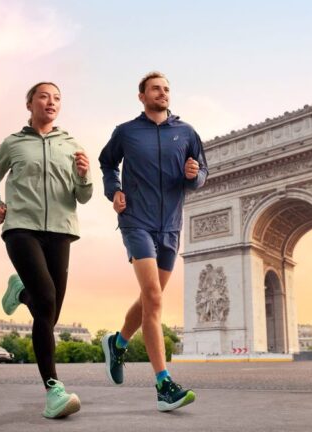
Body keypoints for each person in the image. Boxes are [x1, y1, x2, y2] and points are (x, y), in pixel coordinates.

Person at [0, 82, 92, 419]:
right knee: (46, 301)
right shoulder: (12, 144)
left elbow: (83, 196)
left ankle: (20, 291)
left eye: (57, 98)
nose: (51, 102)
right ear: (29, 103)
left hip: (61, 231)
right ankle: (53, 391)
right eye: (44, 96)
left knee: (50, 312)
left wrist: (84, 176)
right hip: (21, 228)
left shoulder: (71, 145)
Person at [98, 71, 208, 412]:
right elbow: (106, 163)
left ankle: (117, 343)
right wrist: (113, 190)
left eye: (166, 89)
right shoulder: (126, 132)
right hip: (136, 222)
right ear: (141, 96)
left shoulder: (186, 132)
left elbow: (202, 174)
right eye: (156, 89)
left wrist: (194, 177)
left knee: (150, 298)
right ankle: (164, 385)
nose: (163, 93)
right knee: (155, 297)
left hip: (171, 226)